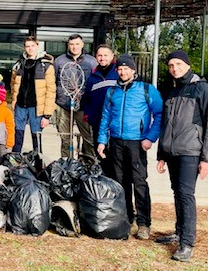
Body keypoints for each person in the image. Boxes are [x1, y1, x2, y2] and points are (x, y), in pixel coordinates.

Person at [156, 50, 208, 262]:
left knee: (185, 194)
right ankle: (179, 232)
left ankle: (187, 243)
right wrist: (162, 154)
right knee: (177, 193)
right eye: (171, 65)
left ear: (187, 64)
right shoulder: (172, 91)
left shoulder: (204, 89)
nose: (175, 68)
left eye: (179, 64)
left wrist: (207, 159)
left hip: (191, 153)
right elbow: (166, 124)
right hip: (172, 152)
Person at [96, 54, 163, 240]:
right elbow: (105, 118)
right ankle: (126, 216)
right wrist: (102, 140)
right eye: (120, 68)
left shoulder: (147, 90)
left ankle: (144, 223)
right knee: (119, 181)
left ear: (133, 70)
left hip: (137, 143)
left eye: (126, 68)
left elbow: (159, 115)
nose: (123, 71)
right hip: (116, 142)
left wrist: (150, 138)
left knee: (139, 182)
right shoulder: (112, 91)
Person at [54, 34, 98, 158]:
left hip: (84, 107)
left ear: (82, 44)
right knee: (65, 138)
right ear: (68, 45)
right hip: (63, 106)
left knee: (88, 138)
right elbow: (53, 81)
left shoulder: (91, 61)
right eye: (72, 44)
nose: (74, 47)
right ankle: (66, 164)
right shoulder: (59, 61)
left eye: (77, 44)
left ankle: (88, 164)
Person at [10, 36, 56, 153]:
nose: (30, 49)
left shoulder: (46, 65)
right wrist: (14, 100)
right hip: (20, 105)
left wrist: (47, 115)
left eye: (32, 46)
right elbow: (13, 84)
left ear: (37, 46)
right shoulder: (19, 64)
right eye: (27, 46)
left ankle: (38, 163)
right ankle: (15, 161)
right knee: (17, 137)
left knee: (36, 139)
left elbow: (51, 91)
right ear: (24, 48)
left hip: (36, 107)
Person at [82, 44, 118, 177]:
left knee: (115, 155)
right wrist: (88, 114)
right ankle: (104, 182)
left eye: (105, 55)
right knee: (101, 154)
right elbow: (86, 97)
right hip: (97, 122)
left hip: (115, 123)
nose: (102, 58)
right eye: (100, 55)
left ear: (112, 56)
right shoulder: (92, 77)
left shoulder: (118, 73)